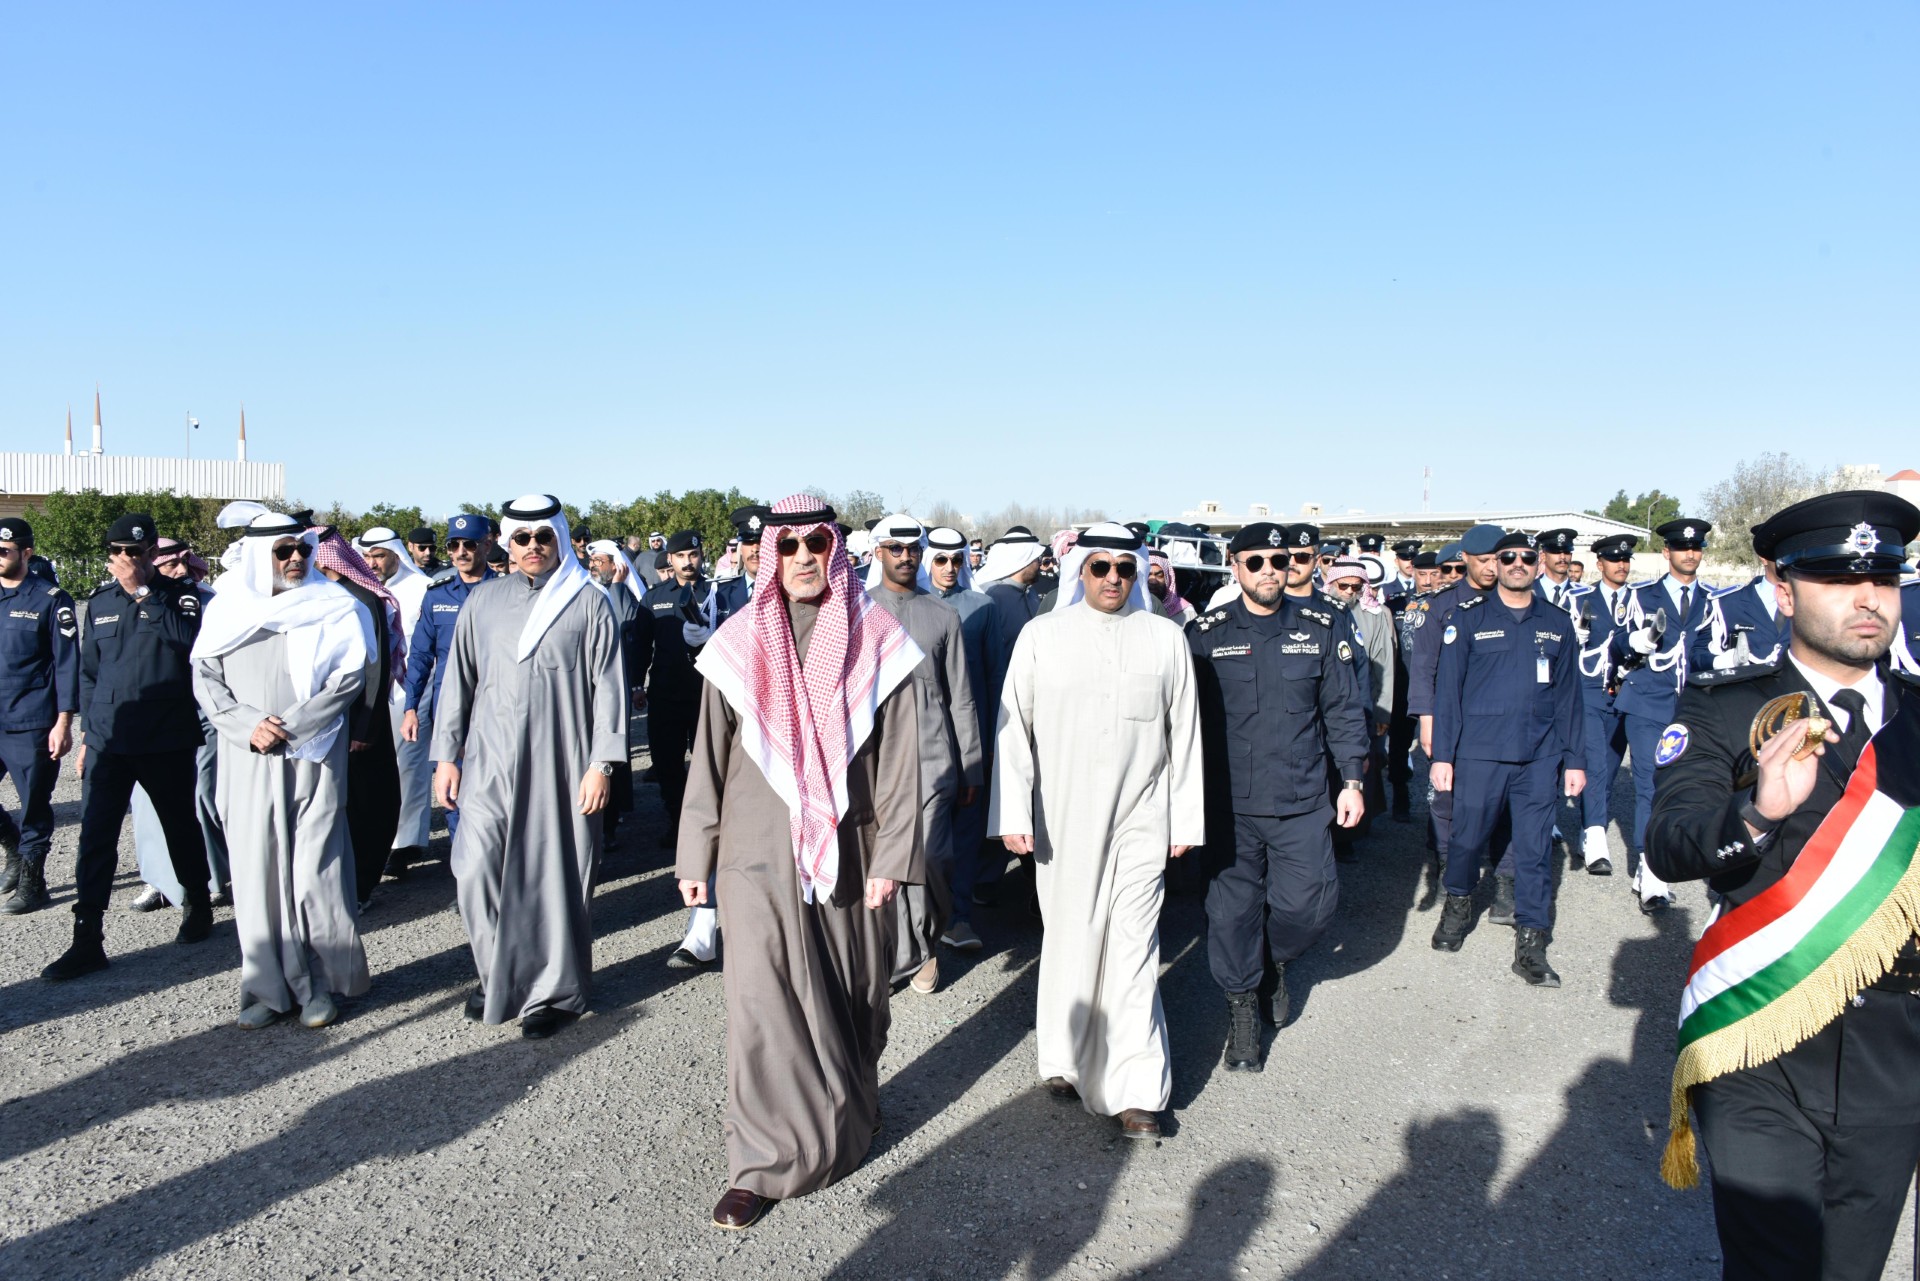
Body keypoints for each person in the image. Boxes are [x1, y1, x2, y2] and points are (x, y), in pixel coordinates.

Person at [1647, 490, 1920, 1281]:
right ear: (1784, 589)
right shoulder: (1723, 706)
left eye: (1884, 577)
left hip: (1897, 1050)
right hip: (1762, 1038)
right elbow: (1670, 843)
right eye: (1839, 578)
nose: (1867, 598)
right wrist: (1758, 813)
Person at [674, 496, 924, 1230]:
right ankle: (756, 1163)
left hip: (851, 847)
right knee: (760, 1002)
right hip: (754, 854)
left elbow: (904, 763)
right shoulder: (736, 641)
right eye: (790, 546)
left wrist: (893, 856)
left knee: (854, 995)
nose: (805, 556)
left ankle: (848, 1116)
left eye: (818, 542)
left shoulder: (878, 639)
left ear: (836, 548)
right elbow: (707, 757)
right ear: (770, 555)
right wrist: (698, 850)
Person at [990, 522, 1204, 1139]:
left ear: (1138, 574)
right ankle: (1062, 1056)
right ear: (1079, 572)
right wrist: (1012, 816)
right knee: (1071, 938)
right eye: (1100, 567)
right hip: (1061, 818)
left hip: (1143, 818)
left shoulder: (1164, 639)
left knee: (1135, 949)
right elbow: (1014, 731)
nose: (1113, 578)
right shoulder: (1041, 636)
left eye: (1125, 569)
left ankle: (1138, 1090)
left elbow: (1184, 735)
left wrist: (1183, 818)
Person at [431, 495, 625, 1039]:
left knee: (556, 877)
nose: (533, 547)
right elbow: (457, 683)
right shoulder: (483, 602)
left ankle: (554, 993)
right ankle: (499, 974)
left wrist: (602, 764)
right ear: (508, 544)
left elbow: (608, 691)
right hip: (488, 761)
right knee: (472, 868)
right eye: (522, 538)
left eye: (543, 536)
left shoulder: (587, 602)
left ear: (559, 538)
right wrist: (447, 756)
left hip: (563, 763)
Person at [1187, 524, 1366, 1071]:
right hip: (1230, 806)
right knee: (1231, 915)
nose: (1270, 570)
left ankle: (1274, 963)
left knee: (1309, 907)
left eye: (1279, 560)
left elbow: (1341, 709)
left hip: (1302, 798)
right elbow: (1182, 721)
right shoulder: (1207, 633)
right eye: (1257, 561)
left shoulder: (1321, 625)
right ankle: (1242, 1011)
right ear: (1236, 566)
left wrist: (1352, 780)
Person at [192, 512, 374, 1028]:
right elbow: (205, 676)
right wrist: (248, 725)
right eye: (283, 551)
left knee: (316, 869)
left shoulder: (332, 605)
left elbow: (348, 676)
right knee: (255, 870)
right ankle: (265, 987)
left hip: (312, 752)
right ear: (258, 556)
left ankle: (320, 984)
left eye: (301, 550)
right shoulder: (227, 608)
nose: (296, 559)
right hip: (246, 755)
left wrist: (292, 726)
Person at [44, 513, 218, 980]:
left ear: (151, 556)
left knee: (180, 826)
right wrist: (85, 736)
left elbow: (188, 645)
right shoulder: (99, 601)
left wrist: (144, 593)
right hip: (109, 738)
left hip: (165, 736)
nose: (129, 559)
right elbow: (91, 674)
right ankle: (87, 938)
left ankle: (197, 904)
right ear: (110, 555)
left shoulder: (181, 597)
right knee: (95, 837)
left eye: (138, 552)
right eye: (121, 552)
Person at [1429, 532, 1585, 985]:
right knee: (1466, 839)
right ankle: (1458, 904)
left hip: (1539, 756)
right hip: (1479, 754)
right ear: (1495, 564)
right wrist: (1444, 755)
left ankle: (1531, 942)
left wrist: (1575, 760)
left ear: (1538, 564)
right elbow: (1449, 693)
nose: (1518, 563)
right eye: (1509, 557)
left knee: (1535, 851)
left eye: (1527, 558)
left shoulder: (1557, 623)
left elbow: (1570, 697)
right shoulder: (1468, 619)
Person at [866, 514, 983, 995]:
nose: (906, 556)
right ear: (878, 553)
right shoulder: (857, 611)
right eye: (896, 549)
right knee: (885, 859)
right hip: (873, 761)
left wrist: (971, 763)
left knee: (933, 858)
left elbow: (962, 696)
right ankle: (897, 955)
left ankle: (925, 943)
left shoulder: (942, 615)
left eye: (913, 549)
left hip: (935, 758)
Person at [1407, 525, 1516, 911]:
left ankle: (1505, 883)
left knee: (1505, 805)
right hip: (1454, 721)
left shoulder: (1517, 602)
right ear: (1464, 559)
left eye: (1497, 559)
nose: (1491, 568)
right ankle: (1447, 870)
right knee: (1447, 801)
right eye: (1484, 560)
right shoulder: (1441, 605)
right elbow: (1424, 668)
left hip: (1503, 723)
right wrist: (1427, 720)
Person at [1612, 517, 1713, 913]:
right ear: (1667, 552)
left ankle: (1683, 857)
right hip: (1647, 701)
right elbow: (1618, 642)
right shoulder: (1641, 596)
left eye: (1697, 547)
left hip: (1692, 706)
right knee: (1649, 786)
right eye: (1682, 547)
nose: (1690, 554)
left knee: (1688, 789)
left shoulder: (1713, 600)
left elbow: (1705, 649)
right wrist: (1636, 641)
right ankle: (1650, 871)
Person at [128, 538, 229, 913]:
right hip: (150, 716)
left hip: (201, 712)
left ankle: (213, 878)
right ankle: (157, 880)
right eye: (170, 565)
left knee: (202, 795)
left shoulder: (206, 601)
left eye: (184, 563)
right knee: (146, 802)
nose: (181, 571)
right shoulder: (128, 600)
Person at [315, 530, 405, 910]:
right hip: (329, 722)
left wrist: (365, 727)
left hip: (362, 722)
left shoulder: (362, 599)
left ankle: (361, 886)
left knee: (368, 805)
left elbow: (374, 666)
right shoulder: (318, 596)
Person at [921, 525, 995, 950]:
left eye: (957, 560)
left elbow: (992, 678)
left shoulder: (982, 608)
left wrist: (985, 744)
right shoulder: (909, 605)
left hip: (969, 738)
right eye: (941, 560)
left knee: (966, 833)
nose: (950, 568)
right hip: (921, 740)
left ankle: (959, 917)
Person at [401, 514, 496, 843]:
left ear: (487, 544)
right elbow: (421, 656)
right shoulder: (437, 596)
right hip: (448, 710)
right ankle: (466, 881)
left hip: (496, 710)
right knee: (453, 795)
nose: (460, 551)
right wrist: (411, 706)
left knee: (495, 796)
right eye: (453, 545)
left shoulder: (506, 593)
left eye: (468, 544)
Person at [0, 517, 77, 916]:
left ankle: (34, 880)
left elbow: (66, 665)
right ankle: (14, 848)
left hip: (30, 720)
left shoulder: (49, 600)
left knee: (33, 804)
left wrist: (64, 721)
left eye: (4, 551)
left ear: (26, 552)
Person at [969, 526, 1047, 907]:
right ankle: (984, 879)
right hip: (1004, 711)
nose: (1039, 563)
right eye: (1034, 557)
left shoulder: (1025, 596)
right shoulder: (998, 599)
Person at [355, 526, 434, 875]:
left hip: (413, 688)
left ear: (397, 555)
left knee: (409, 765)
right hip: (374, 691)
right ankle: (382, 836)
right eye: (367, 556)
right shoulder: (362, 588)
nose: (372, 563)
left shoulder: (422, 588)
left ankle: (405, 844)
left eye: (379, 556)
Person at [1562, 533, 1638, 875]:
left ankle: (1585, 830)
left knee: (1608, 766)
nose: (1621, 565)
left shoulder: (1641, 600)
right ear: (1600, 564)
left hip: (1627, 694)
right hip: (1589, 691)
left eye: (1625, 560)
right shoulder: (1579, 598)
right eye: (1613, 560)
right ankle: (1596, 841)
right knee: (1595, 763)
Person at [641, 530, 713, 843]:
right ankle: (678, 821)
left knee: (706, 763)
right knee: (667, 762)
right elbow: (641, 646)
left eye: (693, 555)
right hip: (666, 694)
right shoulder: (654, 598)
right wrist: (634, 684)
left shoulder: (716, 594)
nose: (687, 562)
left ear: (701, 556)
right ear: (670, 559)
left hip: (706, 695)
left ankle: (708, 823)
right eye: (680, 556)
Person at [1323, 558, 1395, 859]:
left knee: (1359, 768)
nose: (1349, 592)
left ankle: (1348, 836)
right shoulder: (1320, 611)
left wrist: (1382, 712)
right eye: (1344, 586)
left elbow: (1384, 665)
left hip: (1363, 703)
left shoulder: (1375, 614)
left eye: (1356, 586)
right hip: (1330, 704)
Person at [585, 538, 646, 848]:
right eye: (592, 560)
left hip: (613, 688)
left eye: (601, 560)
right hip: (585, 690)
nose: (594, 566)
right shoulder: (584, 591)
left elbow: (626, 625)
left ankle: (609, 825)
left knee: (609, 754)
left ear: (617, 565)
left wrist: (620, 587)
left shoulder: (625, 593)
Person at [1532, 528, 1578, 607]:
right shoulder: (1528, 590)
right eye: (1556, 552)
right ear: (1543, 556)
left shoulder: (1581, 593)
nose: (1563, 557)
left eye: (1567, 552)